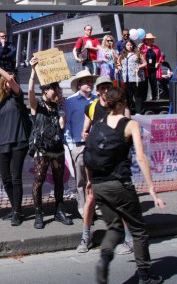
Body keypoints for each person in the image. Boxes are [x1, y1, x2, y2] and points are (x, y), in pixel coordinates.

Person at [85, 87, 166, 284]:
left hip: (98, 185)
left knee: (114, 228)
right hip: (119, 184)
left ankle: (104, 260)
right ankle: (145, 275)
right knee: (138, 230)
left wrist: (90, 182)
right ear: (121, 103)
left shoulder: (97, 125)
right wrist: (152, 190)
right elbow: (141, 157)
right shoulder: (130, 125)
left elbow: (88, 154)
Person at [76, 76, 133, 254]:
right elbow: (85, 131)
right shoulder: (92, 107)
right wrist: (87, 135)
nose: (105, 91)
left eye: (108, 88)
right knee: (91, 197)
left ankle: (129, 238)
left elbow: (128, 132)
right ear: (98, 90)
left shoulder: (121, 108)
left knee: (121, 201)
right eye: (101, 88)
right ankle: (86, 238)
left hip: (116, 162)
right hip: (97, 160)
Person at [27, 56, 73, 229]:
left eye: (57, 88)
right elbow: (31, 93)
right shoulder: (37, 105)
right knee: (38, 179)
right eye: (53, 88)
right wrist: (33, 72)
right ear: (45, 90)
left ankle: (59, 211)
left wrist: (61, 110)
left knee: (59, 180)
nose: (56, 91)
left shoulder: (58, 107)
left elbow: (61, 126)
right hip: (41, 148)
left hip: (57, 148)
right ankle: (38, 214)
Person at [0, 57, 31, 226]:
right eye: (7, 81)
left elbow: (11, 79)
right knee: (6, 179)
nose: (10, 83)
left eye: (12, 81)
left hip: (19, 142)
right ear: (2, 83)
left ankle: (18, 212)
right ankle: (14, 208)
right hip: (2, 144)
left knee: (16, 177)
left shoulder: (18, 98)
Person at [63, 69, 98, 220]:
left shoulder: (97, 100)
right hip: (79, 144)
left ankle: (96, 206)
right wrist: (72, 147)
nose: (90, 83)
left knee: (96, 178)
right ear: (79, 85)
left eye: (91, 81)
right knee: (81, 179)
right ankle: (83, 207)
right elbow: (67, 125)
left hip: (96, 145)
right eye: (86, 81)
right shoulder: (70, 102)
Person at [118, 39, 147, 114]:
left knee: (137, 95)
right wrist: (119, 67)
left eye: (131, 45)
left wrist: (139, 67)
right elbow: (118, 63)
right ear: (125, 46)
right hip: (126, 78)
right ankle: (129, 112)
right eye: (128, 45)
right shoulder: (122, 55)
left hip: (135, 78)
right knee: (128, 96)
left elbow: (145, 63)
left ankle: (139, 111)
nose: (129, 46)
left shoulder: (137, 53)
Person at [139, 33, 164, 101]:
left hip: (153, 69)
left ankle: (154, 98)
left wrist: (158, 63)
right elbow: (138, 56)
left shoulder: (156, 48)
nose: (150, 40)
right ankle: (144, 99)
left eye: (151, 39)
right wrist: (139, 48)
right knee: (144, 85)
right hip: (145, 69)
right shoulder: (142, 48)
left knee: (153, 84)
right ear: (145, 40)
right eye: (148, 39)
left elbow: (161, 57)